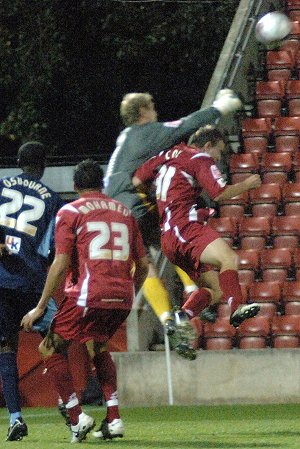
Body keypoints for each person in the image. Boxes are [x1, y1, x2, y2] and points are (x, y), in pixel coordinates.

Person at [104, 89, 243, 357]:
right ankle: (195, 291)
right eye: (152, 105)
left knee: (145, 263)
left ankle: (169, 319)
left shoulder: (125, 141)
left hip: (116, 213)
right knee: (178, 233)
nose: (155, 111)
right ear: (143, 112)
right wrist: (221, 107)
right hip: (135, 204)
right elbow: (186, 125)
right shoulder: (143, 131)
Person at [21, 159, 149, 443]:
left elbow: (61, 260)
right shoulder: (125, 212)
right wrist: (130, 291)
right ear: (102, 184)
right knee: (98, 344)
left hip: (88, 293)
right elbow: (143, 265)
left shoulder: (71, 210)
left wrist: (41, 305)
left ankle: (77, 417)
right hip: (122, 295)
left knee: (48, 347)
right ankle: (114, 418)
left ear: (75, 185)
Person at [132, 125, 262, 330]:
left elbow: (137, 179)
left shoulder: (167, 154)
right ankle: (237, 307)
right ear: (207, 145)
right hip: (185, 227)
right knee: (230, 259)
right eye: (218, 151)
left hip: (169, 237)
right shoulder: (199, 158)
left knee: (216, 290)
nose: (218, 158)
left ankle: (179, 320)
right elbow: (218, 194)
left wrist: (158, 201)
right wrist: (249, 184)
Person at [0, 142, 64, 441]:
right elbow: (51, 248)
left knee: (6, 348)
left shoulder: (1, 186)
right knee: (56, 339)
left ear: (17, 162)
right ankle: (69, 404)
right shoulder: (52, 198)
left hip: (1, 281)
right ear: (45, 165)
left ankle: (15, 418)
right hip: (33, 282)